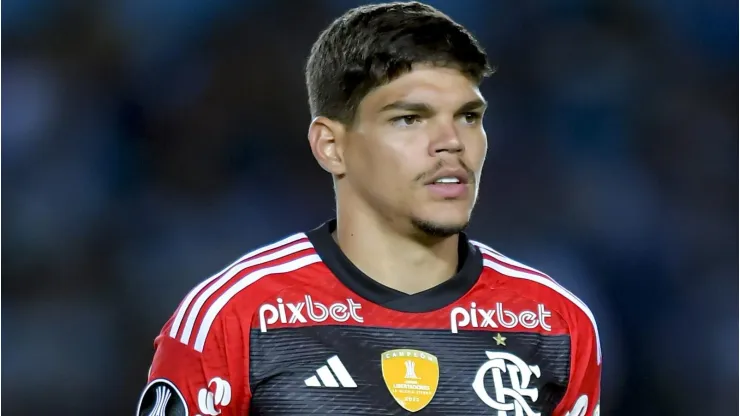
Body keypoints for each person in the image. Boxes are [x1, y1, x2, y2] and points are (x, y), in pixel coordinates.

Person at [136, 2, 601, 415]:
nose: (451, 144)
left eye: (468, 116)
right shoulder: (234, 318)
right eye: (409, 119)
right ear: (331, 147)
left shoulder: (554, 323)